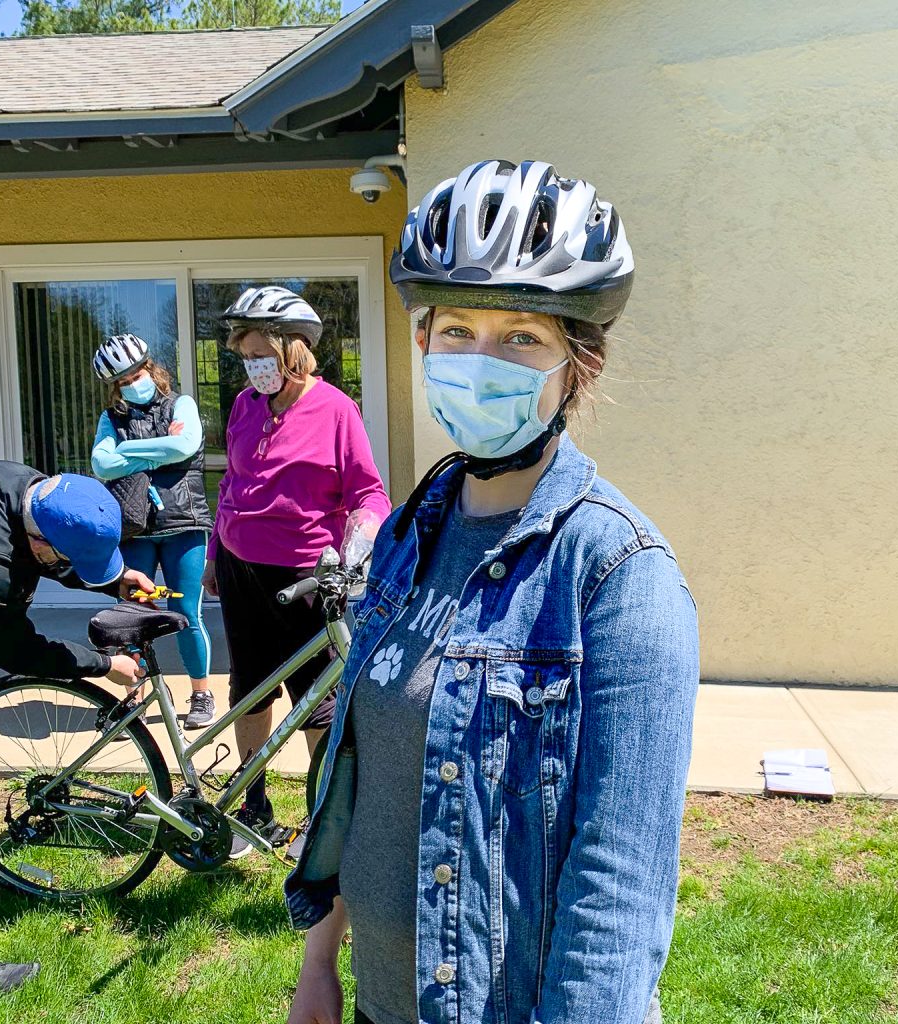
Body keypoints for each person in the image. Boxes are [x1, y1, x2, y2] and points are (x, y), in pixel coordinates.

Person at [285, 160, 700, 1024]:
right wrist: (319, 961)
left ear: (577, 366)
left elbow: (617, 891)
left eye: (522, 337)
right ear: (424, 339)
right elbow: (359, 776)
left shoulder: (621, 575)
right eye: (459, 329)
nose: (481, 361)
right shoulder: (409, 533)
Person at [203, 286, 391, 857]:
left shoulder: (336, 408)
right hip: (240, 571)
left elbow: (370, 493)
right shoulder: (243, 405)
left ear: (292, 350)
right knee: (249, 689)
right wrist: (215, 553)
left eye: (260, 352)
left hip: (306, 580)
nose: (251, 365)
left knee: (316, 699)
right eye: (244, 355)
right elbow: (231, 486)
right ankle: (252, 805)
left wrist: (360, 542)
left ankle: (320, 816)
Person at [90, 334, 215, 726]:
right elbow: (101, 464)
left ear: (150, 368)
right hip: (136, 528)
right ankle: (135, 699)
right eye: (123, 380)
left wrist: (126, 451)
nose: (131, 382)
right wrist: (152, 452)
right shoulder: (112, 418)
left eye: (135, 373)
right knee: (134, 615)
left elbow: (185, 445)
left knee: (186, 613)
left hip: (184, 525)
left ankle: (201, 695)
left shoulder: (181, 404)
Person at [0, 462, 155, 685]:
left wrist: (117, 579)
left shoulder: (37, 493)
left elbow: (51, 551)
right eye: (66, 557)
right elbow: (14, 649)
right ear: (40, 541)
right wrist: (104, 664)